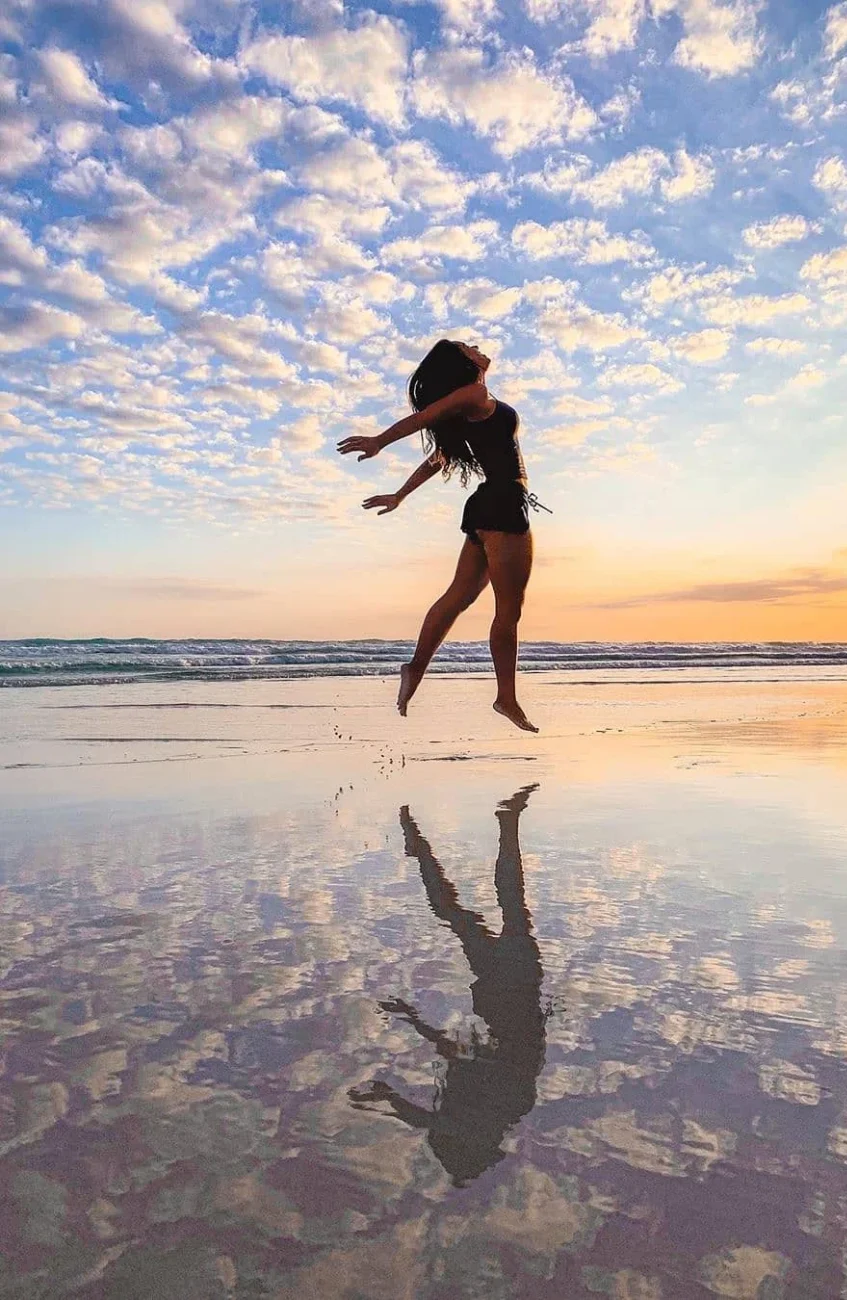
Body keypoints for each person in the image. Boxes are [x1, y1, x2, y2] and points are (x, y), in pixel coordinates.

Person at [337, 339, 547, 734]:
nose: (477, 345)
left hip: (486, 505)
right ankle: (506, 697)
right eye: (469, 346)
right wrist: (380, 441)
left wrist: (400, 494)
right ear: (462, 362)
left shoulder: (471, 400)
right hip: (503, 503)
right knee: (508, 611)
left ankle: (415, 669)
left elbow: (440, 457)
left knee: (457, 597)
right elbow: (424, 418)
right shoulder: (476, 394)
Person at [348, 785, 547, 1186]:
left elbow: (427, 1109)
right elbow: (456, 1066)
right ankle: (496, 828)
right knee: (485, 904)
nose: (444, 1121)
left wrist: (411, 1023)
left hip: (504, 989)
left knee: (486, 905)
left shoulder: (490, 1109)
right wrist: (411, 1028)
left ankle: (493, 829)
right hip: (511, 986)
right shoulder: (507, 1099)